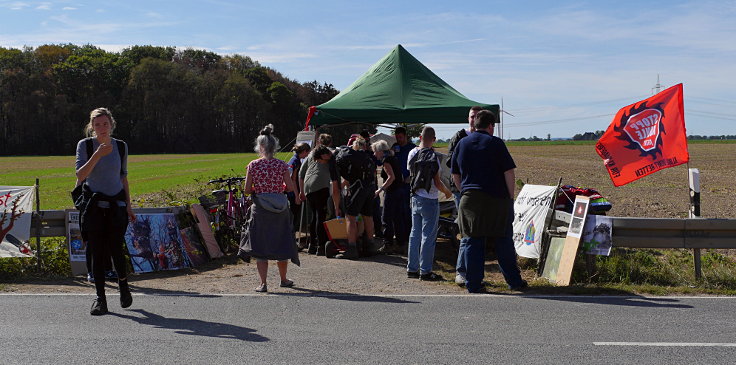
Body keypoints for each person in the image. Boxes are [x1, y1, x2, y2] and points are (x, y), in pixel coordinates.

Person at [450, 110, 527, 293]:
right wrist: (510, 197)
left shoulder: (462, 143)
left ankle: (474, 283)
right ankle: (514, 282)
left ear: (475, 124)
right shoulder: (496, 143)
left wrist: (465, 192)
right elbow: (508, 172)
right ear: (491, 126)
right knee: (503, 240)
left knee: (472, 242)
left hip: (470, 200)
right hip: (496, 198)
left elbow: (455, 175)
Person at [75, 107, 136, 315]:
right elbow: (81, 175)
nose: (101, 128)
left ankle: (124, 287)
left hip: (116, 207)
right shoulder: (85, 145)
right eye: (97, 124)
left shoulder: (121, 146)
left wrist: (129, 205)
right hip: (93, 208)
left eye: (105, 124)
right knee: (97, 253)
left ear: (111, 124)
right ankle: (100, 299)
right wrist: (98, 154)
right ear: (92, 127)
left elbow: (123, 177)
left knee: (117, 250)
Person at [240, 124, 299, 293]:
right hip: (280, 208)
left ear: (260, 147)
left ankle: (263, 283)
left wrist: (261, 189)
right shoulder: (282, 165)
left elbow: (247, 189)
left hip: (260, 209)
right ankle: (284, 279)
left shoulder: (253, 165)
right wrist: (276, 187)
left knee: (260, 247)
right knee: (281, 242)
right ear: (275, 147)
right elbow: (289, 187)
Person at [406, 126, 452, 281]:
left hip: (415, 198)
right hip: (430, 200)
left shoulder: (412, 153)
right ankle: (425, 271)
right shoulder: (433, 157)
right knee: (428, 236)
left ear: (420, 137)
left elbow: (410, 173)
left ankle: (412, 269)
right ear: (434, 139)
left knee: (414, 234)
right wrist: (447, 192)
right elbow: (437, 183)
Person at [448, 106, 481, 286]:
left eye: (476, 116)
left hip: (480, 191)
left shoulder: (487, 138)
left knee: (476, 231)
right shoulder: (459, 137)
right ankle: (462, 271)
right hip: (462, 189)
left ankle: (474, 270)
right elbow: (450, 162)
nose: (473, 119)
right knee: (466, 231)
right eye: (471, 116)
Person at [334, 137, 377, 259]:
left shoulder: (348, 156)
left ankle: (352, 249)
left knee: (350, 217)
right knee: (368, 216)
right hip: (369, 188)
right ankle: (370, 246)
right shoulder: (366, 156)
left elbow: (346, 176)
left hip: (357, 189)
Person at [299, 144, 341, 255]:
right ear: (323, 155)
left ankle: (312, 245)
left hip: (308, 188)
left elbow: (301, 174)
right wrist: (337, 207)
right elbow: (336, 187)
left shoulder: (311, 156)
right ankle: (321, 246)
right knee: (320, 216)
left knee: (314, 216)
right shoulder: (330, 160)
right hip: (320, 187)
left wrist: (301, 191)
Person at [385, 127, 414, 253]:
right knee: (395, 213)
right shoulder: (394, 147)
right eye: (397, 137)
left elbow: (417, 165)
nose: (399, 140)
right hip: (395, 186)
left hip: (407, 185)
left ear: (405, 136)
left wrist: (410, 177)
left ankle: (407, 238)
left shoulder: (413, 148)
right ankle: (398, 239)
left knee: (406, 211)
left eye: (400, 137)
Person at [287, 143, 311, 234]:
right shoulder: (296, 161)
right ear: (304, 151)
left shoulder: (294, 159)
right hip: (293, 193)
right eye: (307, 153)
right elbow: (293, 180)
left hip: (291, 192)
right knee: (294, 216)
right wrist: (297, 196)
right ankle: (291, 237)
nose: (307, 155)